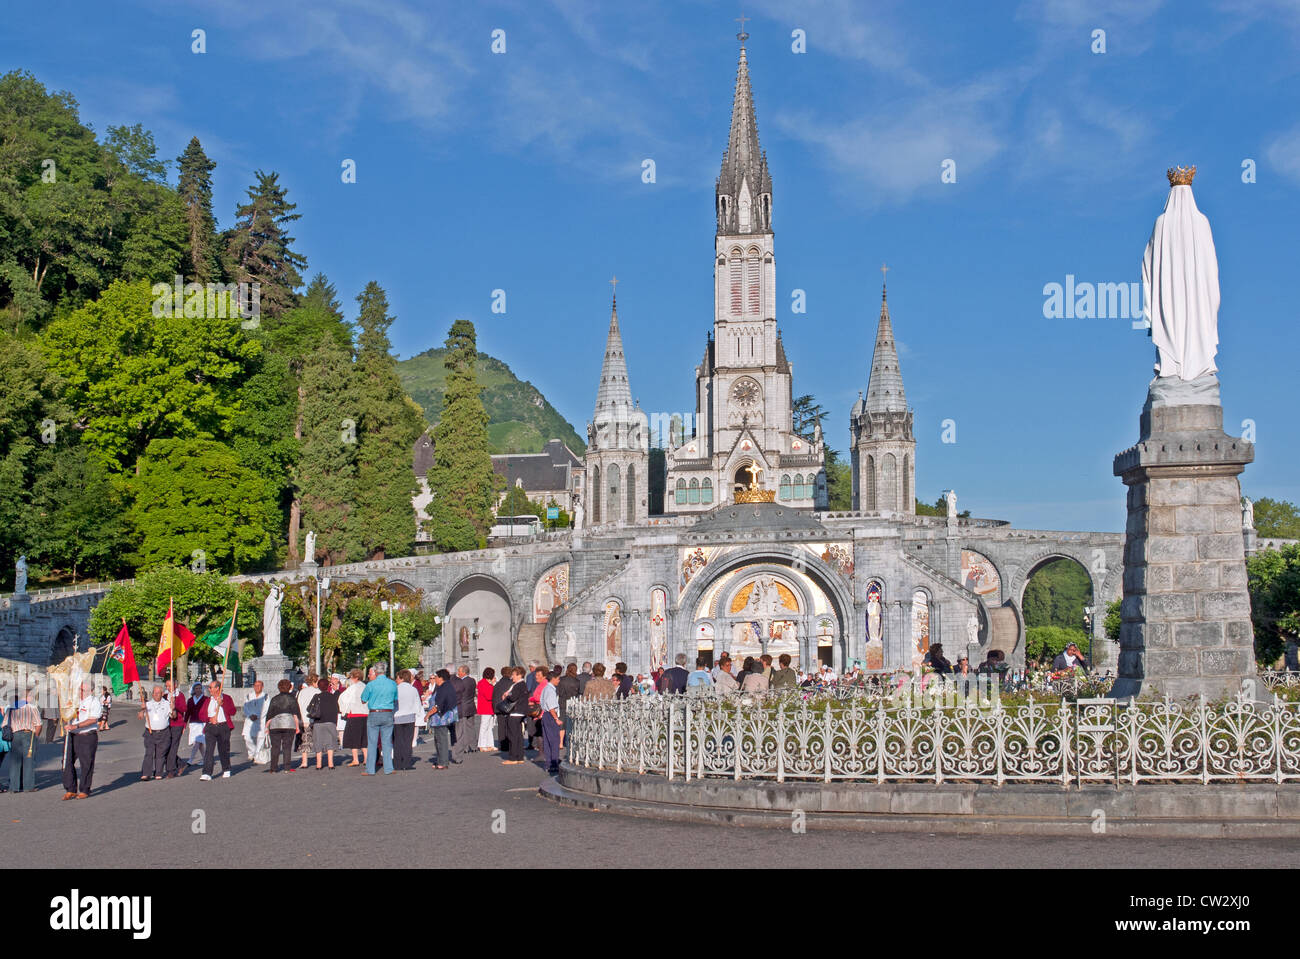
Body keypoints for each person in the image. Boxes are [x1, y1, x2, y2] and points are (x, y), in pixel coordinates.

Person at [62, 681, 101, 799]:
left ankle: (85, 789)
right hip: (72, 735)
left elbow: (93, 719)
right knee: (66, 761)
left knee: (86, 764)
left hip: (86, 736)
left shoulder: (94, 702)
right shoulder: (75, 701)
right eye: (80, 689)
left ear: (91, 691)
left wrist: (76, 726)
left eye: (83, 690)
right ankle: (70, 788)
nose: (80, 692)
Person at [361, 663, 398, 775]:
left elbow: (363, 699)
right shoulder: (392, 684)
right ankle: (389, 768)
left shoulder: (371, 685)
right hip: (388, 713)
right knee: (387, 742)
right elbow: (395, 699)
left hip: (374, 713)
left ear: (375, 672)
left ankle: (370, 769)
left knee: (372, 742)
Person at [199, 680, 237, 780]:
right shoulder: (208, 700)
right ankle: (207, 772)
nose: (209, 689)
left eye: (211, 687)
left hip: (223, 726)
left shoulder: (227, 698)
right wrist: (209, 718)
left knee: (223, 749)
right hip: (211, 727)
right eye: (209, 688)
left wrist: (222, 703)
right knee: (209, 750)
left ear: (217, 688)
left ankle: (226, 769)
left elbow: (232, 711)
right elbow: (201, 714)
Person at [5, 689, 41, 793]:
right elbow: (38, 724)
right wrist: (35, 736)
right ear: (27, 697)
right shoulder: (32, 707)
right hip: (28, 733)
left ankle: (13, 787)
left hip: (15, 734)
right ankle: (28, 786)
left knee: (15, 762)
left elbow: (4, 723)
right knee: (29, 761)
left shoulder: (11, 707)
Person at [263, 680, 302, 773]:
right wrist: (297, 727)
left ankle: (273, 768)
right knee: (287, 746)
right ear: (289, 687)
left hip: (275, 724)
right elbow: (296, 714)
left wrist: (266, 726)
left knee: (275, 747)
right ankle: (287, 767)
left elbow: (270, 714)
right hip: (289, 723)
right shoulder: (292, 699)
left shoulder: (274, 699)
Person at [137, 685, 171, 781]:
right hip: (150, 732)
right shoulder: (147, 704)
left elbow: (173, 715)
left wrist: (173, 708)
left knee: (160, 754)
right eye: (154, 693)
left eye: (158, 693)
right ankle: (146, 773)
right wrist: (143, 709)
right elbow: (140, 716)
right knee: (149, 752)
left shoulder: (166, 704)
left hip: (163, 732)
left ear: (162, 694)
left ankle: (158, 773)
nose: (155, 695)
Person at [427, 669, 457, 769]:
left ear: (441, 678)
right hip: (445, 717)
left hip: (441, 718)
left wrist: (427, 715)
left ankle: (443, 762)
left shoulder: (443, 688)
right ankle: (440, 760)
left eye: (436, 677)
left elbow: (438, 705)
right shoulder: (448, 686)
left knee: (441, 741)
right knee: (439, 740)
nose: (434, 679)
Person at [339, 668, 369, 767]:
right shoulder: (366, 686)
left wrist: (344, 711)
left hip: (354, 715)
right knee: (365, 738)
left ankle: (355, 759)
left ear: (355, 677)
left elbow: (343, 699)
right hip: (366, 715)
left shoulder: (352, 688)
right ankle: (366, 758)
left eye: (351, 676)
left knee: (354, 739)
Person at [500, 668, 529, 765]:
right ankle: (520, 756)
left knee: (512, 735)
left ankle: (513, 757)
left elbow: (513, 697)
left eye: (514, 675)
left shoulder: (518, 685)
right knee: (519, 735)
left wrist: (506, 695)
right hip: (520, 712)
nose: (512, 677)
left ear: (519, 675)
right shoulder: (523, 685)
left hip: (515, 712)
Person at [393, 670, 421, 771]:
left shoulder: (396, 689)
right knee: (407, 741)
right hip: (410, 716)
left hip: (397, 717)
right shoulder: (413, 689)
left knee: (398, 741)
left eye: (397, 678)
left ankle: (397, 763)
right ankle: (407, 763)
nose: (396, 680)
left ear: (401, 678)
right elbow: (417, 703)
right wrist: (418, 714)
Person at [310, 676, 340, 770]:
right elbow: (338, 708)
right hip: (330, 721)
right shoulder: (333, 697)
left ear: (318, 687)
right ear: (328, 686)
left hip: (318, 722)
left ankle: (319, 764)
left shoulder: (316, 697)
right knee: (330, 742)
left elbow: (309, 709)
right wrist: (337, 690)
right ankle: (330, 764)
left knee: (318, 742)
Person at [539, 669, 563, 775]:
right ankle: (553, 764)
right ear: (553, 679)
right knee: (554, 740)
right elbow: (552, 707)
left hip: (545, 715)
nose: (559, 680)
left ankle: (549, 763)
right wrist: (556, 719)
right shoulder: (550, 690)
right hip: (550, 716)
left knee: (547, 741)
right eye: (558, 678)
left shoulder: (545, 688)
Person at [451, 665, 477, 759]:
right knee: (471, 727)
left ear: (463, 672)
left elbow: (459, 694)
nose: (458, 673)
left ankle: (465, 747)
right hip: (471, 705)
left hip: (463, 706)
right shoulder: (472, 680)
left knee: (464, 729)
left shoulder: (462, 682)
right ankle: (473, 746)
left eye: (459, 671)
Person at [296, 673, 319, 770]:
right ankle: (319, 761)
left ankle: (304, 762)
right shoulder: (317, 691)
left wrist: (300, 718)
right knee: (318, 740)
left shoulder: (302, 692)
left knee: (305, 741)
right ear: (314, 681)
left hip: (304, 719)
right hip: (316, 719)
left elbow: (299, 705)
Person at [556, 664, 580, 747]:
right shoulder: (577, 681)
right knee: (572, 722)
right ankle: (570, 742)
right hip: (573, 703)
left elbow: (557, 692)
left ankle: (560, 743)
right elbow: (578, 693)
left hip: (562, 702)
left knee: (562, 723)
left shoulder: (561, 680)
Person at [242, 680, 266, 762]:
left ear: (262, 687)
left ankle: (257, 755)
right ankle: (252, 752)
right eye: (255, 685)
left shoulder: (265, 696)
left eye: (259, 685)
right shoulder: (249, 696)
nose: (257, 687)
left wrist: (258, 716)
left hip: (260, 720)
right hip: (250, 720)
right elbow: (245, 707)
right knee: (247, 737)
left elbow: (266, 709)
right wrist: (250, 715)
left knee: (260, 738)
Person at [184, 682, 207, 766]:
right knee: (199, 743)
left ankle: (190, 759)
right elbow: (187, 712)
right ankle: (205, 759)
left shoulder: (205, 699)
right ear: (193, 690)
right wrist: (184, 723)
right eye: (196, 688)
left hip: (202, 723)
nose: (198, 690)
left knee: (197, 742)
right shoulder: (190, 700)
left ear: (202, 689)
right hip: (193, 723)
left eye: (199, 688)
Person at [476, 668, 498, 752]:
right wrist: (492, 686)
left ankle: (490, 744)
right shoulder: (483, 683)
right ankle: (482, 745)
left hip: (489, 708)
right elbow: (489, 696)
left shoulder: (485, 683)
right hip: (486, 708)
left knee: (489, 727)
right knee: (484, 726)